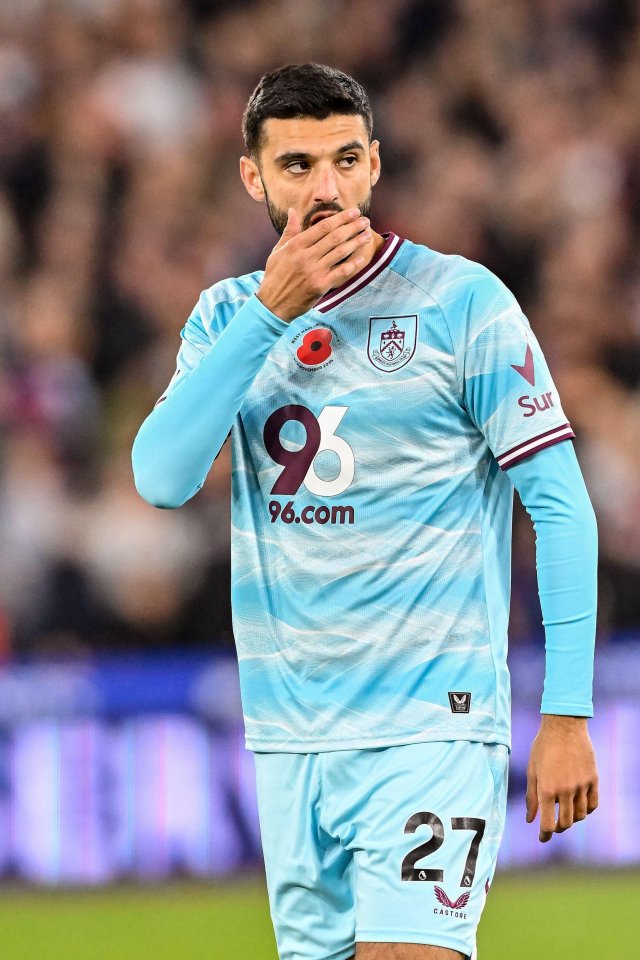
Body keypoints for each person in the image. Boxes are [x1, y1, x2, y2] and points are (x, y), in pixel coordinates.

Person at [132, 63, 599, 960]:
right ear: (253, 178)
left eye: (346, 160)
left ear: (376, 165)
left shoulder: (463, 303)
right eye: (298, 165)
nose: (328, 189)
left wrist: (568, 714)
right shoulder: (228, 316)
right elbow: (161, 475)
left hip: (431, 728)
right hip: (289, 740)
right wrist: (271, 313)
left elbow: (562, 506)